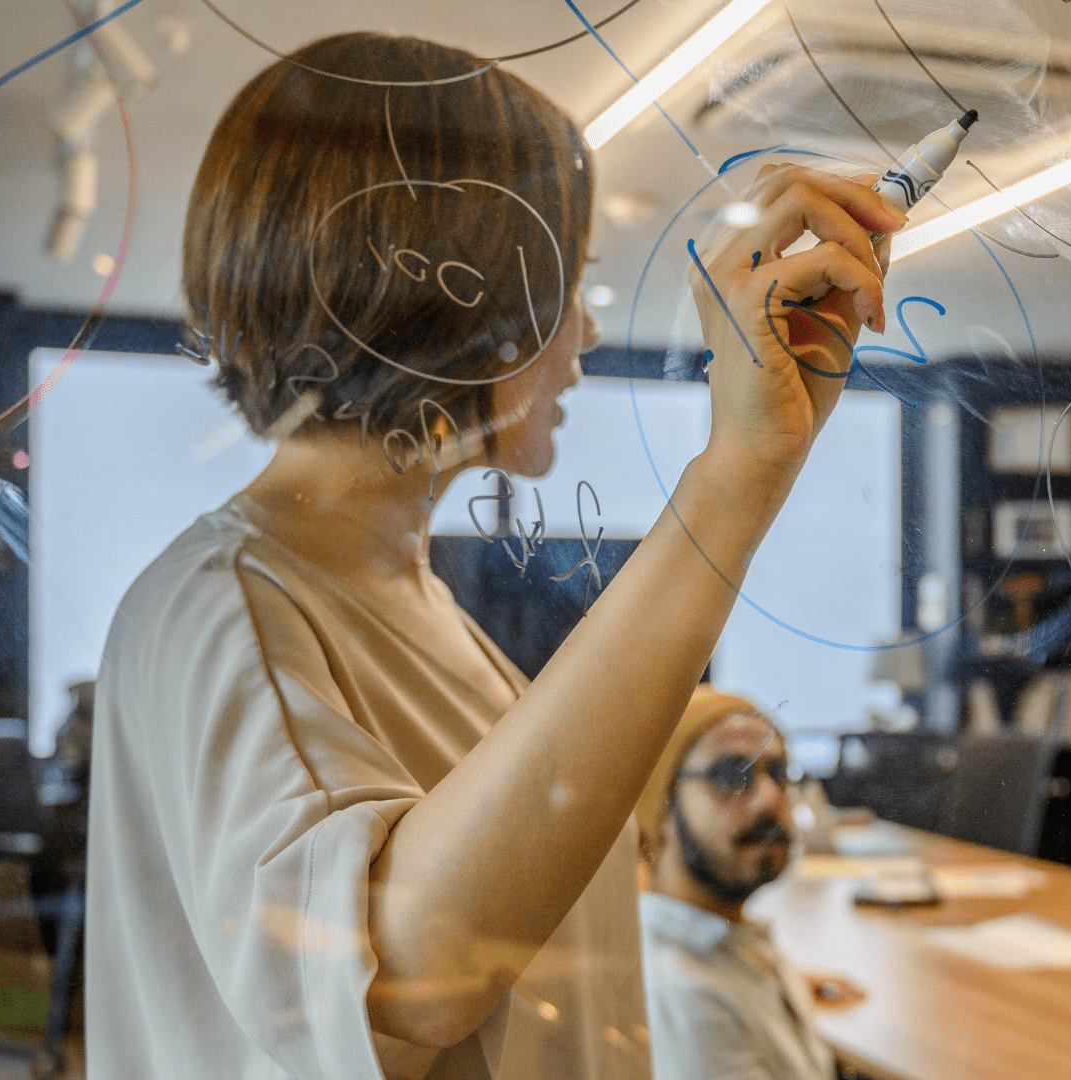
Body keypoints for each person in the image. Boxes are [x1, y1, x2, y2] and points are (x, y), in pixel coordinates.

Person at [86, 32, 901, 1080]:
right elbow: (407, 973)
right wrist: (738, 473)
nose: (586, 331)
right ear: (450, 298)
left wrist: (752, 464)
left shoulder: (411, 605)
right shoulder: (223, 606)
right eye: (569, 284)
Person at [636, 689, 860, 1080]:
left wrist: (782, 984)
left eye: (778, 772)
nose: (770, 798)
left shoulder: (721, 942)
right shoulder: (684, 998)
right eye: (731, 776)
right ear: (661, 807)